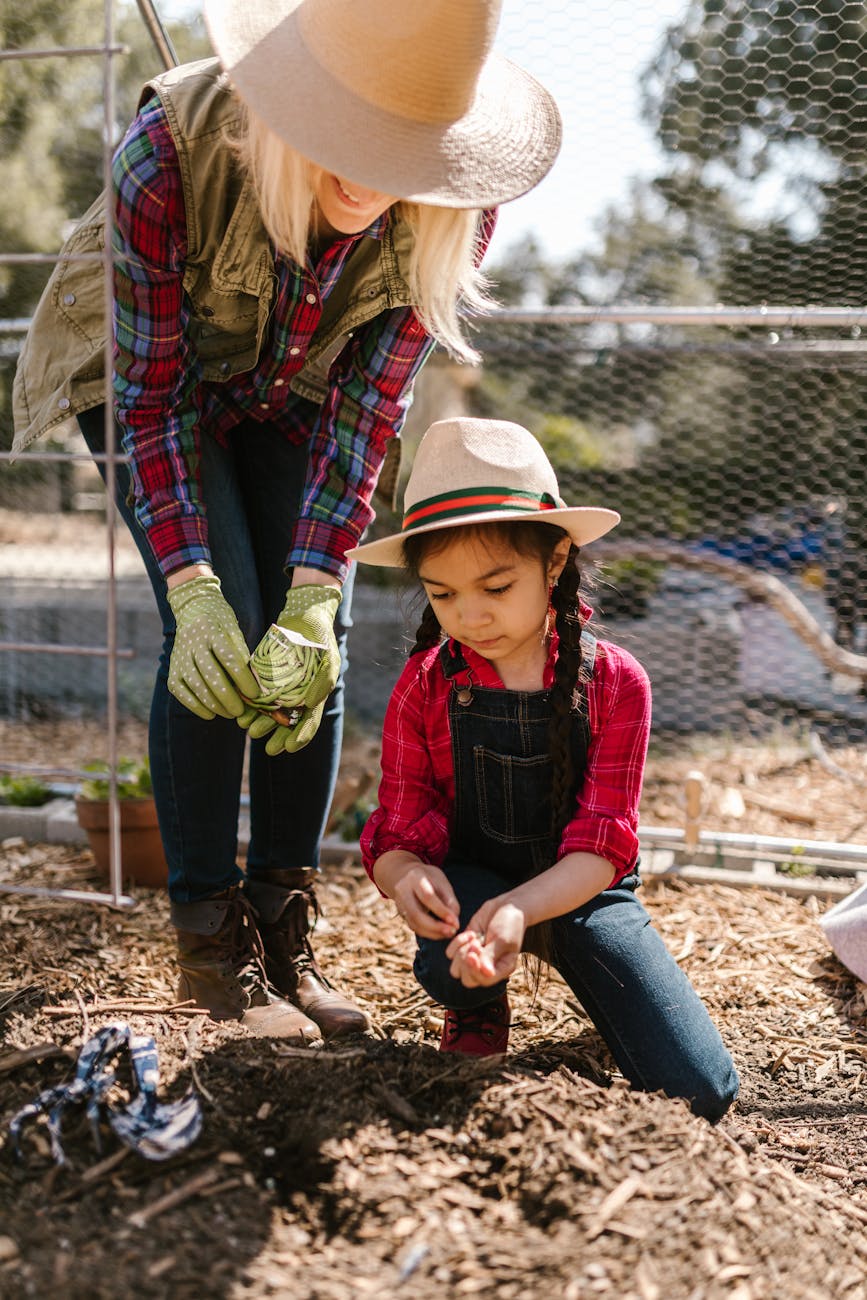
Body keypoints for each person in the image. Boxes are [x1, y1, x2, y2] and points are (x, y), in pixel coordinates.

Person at [11, 0, 562, 1043]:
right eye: (353, 138)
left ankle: (282, 932)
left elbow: (366, 412)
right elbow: (155, 399)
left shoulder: (458, 205)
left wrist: (314, 593)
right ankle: (211, 947)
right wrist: (192, 582)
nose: (372, 176)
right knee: (217, 625)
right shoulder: (168, 156)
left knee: (317, 632)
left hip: (302, 398)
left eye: (405, 151)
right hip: (154, 387)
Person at [352, 417, 739, 1120]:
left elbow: (603, 843)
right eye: (442, 594)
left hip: (584, 891)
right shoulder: (423, 683)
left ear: (554, 562)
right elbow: (397, 826)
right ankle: (475, 1006)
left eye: (495, 587)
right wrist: (407, 878)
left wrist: (520, 909)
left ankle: (602, 992)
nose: (468, 615)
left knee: (700, 1091)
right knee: (446, 966)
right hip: (471, 885)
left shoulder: (617, 682)